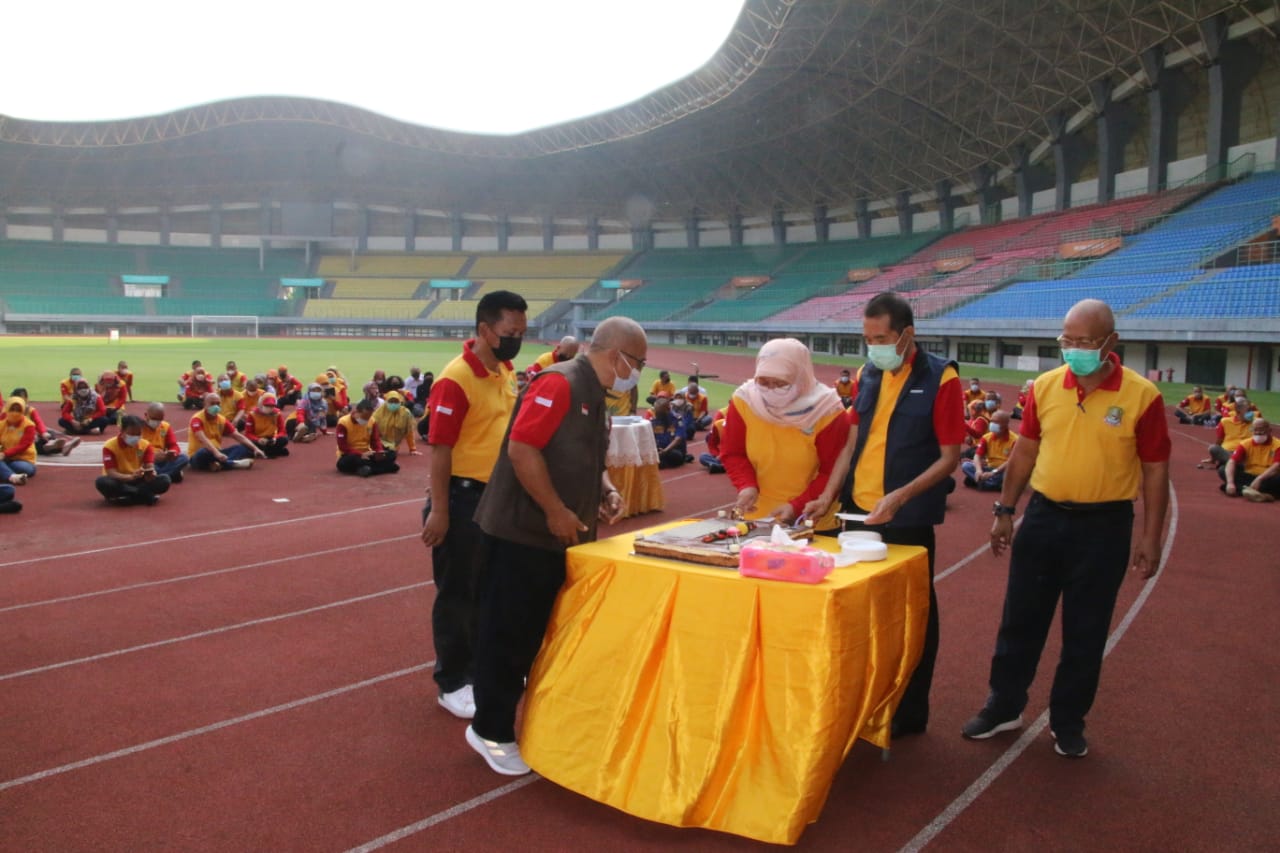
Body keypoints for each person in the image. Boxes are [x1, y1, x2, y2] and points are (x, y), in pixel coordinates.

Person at [963, 299, 1170, 759]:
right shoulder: (1046, 386)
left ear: (1111, 342)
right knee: (1020, 619)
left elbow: (1156, 469)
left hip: (1104, 527)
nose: (1073, 349)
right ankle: (1004, 704)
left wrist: (1151, 536)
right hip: (1044, 518)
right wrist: (1004, 510)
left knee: (1086, 630)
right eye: (1066, 340)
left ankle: (1068, 719)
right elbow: (1025, 450)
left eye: (1084, 341)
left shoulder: (1142, 396)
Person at [464, 316, 641, 776]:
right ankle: (490, 730)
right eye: (637, 363)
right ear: (616, 355)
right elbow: (522, 448)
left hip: (556, 536)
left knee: (535, 634)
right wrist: (555, 510)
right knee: (506, 636)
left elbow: (587, 457)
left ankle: (519, 721)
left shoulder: (595, 394)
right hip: (520, 534)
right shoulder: (559, 383)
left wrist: (605, 490)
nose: (638, 372)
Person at [803, 292, 965, 738]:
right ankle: (861, 702)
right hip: (858, 515)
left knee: (913, 614)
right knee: (859, 611)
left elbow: (949, 458)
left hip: (906, 519)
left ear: (906, 334)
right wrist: (829, 495)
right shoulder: (867, 373)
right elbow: (852, 443)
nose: (873, 347)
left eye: (880, 338)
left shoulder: (942, 378)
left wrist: (899, 497)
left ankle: (910, 711)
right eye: (867, 338)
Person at [422, 290, 528, 719]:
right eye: (510, 332)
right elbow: (440, 449)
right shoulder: (455, 379)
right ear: (485, 330)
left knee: (490, 591)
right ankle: (452, 682)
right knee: (458, 594)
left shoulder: (505, 370)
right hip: (463, 498)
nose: (517, 340)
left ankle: (481, 669)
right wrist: (440, 511)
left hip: (496, 498)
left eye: (522, 332)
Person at [721, 338, 849, 531]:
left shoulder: (827, 411)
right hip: (758, 518)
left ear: (801, 377)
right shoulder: (744, 401)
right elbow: (733, 452)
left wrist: (796, 506)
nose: (771, 389)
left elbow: (832, 471)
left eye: (780, 383)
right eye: (763, 382)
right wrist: (746, 485)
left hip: (812, 519)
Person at [96, 415, 171, 506]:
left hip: (138, 480)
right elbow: (111, 473)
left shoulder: (146, 445)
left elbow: (149, 467)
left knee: (164, 480)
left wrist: (150, 474)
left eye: (138, 434)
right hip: (119, 480)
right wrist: (130, 477)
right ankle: (140, 494)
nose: (135, 437)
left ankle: (128, 496)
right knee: (102, 482)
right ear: (122, 431)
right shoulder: (109, 446)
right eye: (132, 434)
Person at [189, 393, 263, 471]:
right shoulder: (197, 419)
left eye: (218, 403)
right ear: (204, 405)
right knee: (203, 452)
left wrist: (255, 448)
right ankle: (233, 463)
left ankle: (219, 464)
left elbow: (237, 436)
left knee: (244, 447)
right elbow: (203, 439)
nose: (216, 406)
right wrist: (216, 453)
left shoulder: (222, 420)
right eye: (212, 403)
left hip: (218, 452)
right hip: (201, 454)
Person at [1220, 417, 1280, 502]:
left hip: (1268, 477)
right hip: (1250, 475)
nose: (1258, 432)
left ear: (1269, 430)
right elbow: (1232, 461)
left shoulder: (1277, 445)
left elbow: (1276, 465)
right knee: (1222, 470)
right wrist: (1230, 483)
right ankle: (1262, 493)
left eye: (1261, 429)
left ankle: (1241, 489)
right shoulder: (1245, 444)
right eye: (1255, 430)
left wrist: (1260, 478)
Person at [335, 398, 399, 476]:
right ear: (356, 412)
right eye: (364, 417)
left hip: (368, 453)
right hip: (351, 455)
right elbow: (343, 446)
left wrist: (379, 452)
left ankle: (366, 469)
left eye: (368, 417)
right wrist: (360, 454)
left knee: (392, 454)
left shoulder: (372, 421)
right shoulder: (343, 422)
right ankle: (383, 468)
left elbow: (375, 440)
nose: (366, 420)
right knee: (344, 463)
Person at [11, 388, 80, 456]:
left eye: (25, 398)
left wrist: (43, 433)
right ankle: (60, 448)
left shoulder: (30, 410)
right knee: (33, 444)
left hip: (33, 436)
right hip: (18, 439)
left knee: (49, 433)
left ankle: (53, 444)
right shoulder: (9, 412)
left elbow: (38, 422)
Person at [960, 410, 1017, 491]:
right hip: (989, 468)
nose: (992, 424)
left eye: (996, 422)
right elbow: (977, 456)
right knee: (966, 465)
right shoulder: (986, 437)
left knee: (1010, 475)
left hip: (1004, 470)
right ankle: (991, 484)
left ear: (1005, 424)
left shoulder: (1015, 440)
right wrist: (979, 470)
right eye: (992, 421)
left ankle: (983, 482)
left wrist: (993, 473)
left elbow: (1011, 461)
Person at [141, 402, 190, 483]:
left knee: (184, 458)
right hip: (147, 461)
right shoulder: (138, 428)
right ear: (146, 415)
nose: (156, 422)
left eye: (159, 419)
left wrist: (171, 454)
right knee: (147, 467)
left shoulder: (165, 426)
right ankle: (171, 474)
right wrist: (151, 457)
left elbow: (174, 445)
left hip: (163, 459)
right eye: (154, 418)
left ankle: (160, 476)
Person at [1207, 395, 1259, 468]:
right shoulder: (1225, 422)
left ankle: (1231, 464)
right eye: (1248, 411)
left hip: (1247, 453)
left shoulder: (1257, 422)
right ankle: (1236, 464)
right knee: (1213, 448)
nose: (1251, 413)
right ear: (1238, 411)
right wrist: (1213, 458)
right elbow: (1219, 441)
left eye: (1251, 410)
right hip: (1229, 452)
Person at [1, 396, 39, 486]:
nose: (15, 413)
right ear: (7, 409)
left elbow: (24, 445)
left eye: (18, 410)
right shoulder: (2, 424)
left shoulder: (29, 425)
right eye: (12, 409)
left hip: (24, 460)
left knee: (20, 467)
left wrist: (4, 454)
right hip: (6, 458)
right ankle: (13, 477)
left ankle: (5, 471)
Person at [646, 393, 690, 468]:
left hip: (673, 450)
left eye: (660, 413)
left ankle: (660, 462)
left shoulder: (677, 420)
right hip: (660, 449)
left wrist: (665, 451)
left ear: (668, 409)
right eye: (657, 412)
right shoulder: (654, 420)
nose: (658, 415)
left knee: (676, 455)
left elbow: (678, 439)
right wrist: (655, 449)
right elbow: (651, 437)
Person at [371, 390, 421, 455]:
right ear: (386, 401)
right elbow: (371, 428)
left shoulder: (405, 413)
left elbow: (409, 431)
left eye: (396, 402)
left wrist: (412, 449)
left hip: (393, 445)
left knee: (391, 452)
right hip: (379, 441)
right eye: (391, 401)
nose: (393, 404)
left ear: (400, 402)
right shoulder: (379, 413)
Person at [242, 393, 290, 458]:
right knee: (246, 443)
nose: (270, 408)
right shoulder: (252, 415)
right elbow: (248, 433)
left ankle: (265, 451)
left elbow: (282, 431)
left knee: (284, 439)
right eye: (267, 405)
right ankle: (274, 451)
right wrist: (258, 439)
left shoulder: (277, 414)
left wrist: (275, 438)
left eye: (272, 406)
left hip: (271, 439)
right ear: (261, 404)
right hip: (257, 439)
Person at [699, 408, 727, 474]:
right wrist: (717, 455)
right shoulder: (718, 425)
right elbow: (712, 444)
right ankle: (721, 466)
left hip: (735, 456)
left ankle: (720, 466)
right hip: (721, 455)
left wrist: (723, 455)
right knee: (703, 456)